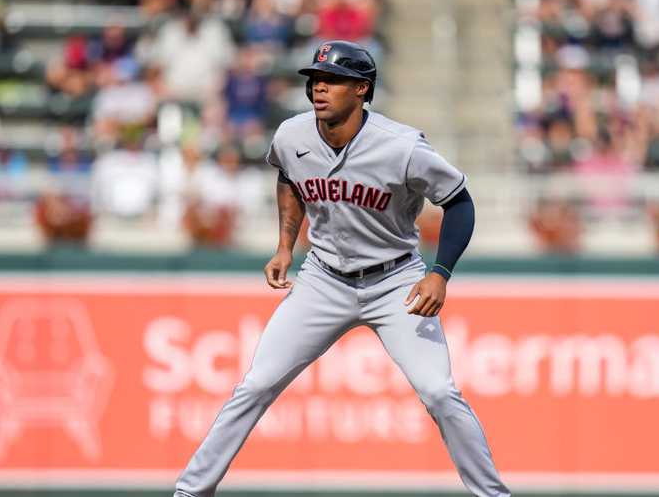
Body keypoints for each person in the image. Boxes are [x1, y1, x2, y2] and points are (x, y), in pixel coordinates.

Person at [174, 40, 510, 497]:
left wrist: (440, 272)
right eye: (315, 79)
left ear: (362, 89)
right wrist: (284, 246)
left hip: (396, 281)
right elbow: (289, 178)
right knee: (255, 384)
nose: (319, 87)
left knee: (439, 393)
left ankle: (492, 495)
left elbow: (459, 202)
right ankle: (191, 491)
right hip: (323, 277)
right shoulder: (292, 135)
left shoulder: (402, 147)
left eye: (332, 80)